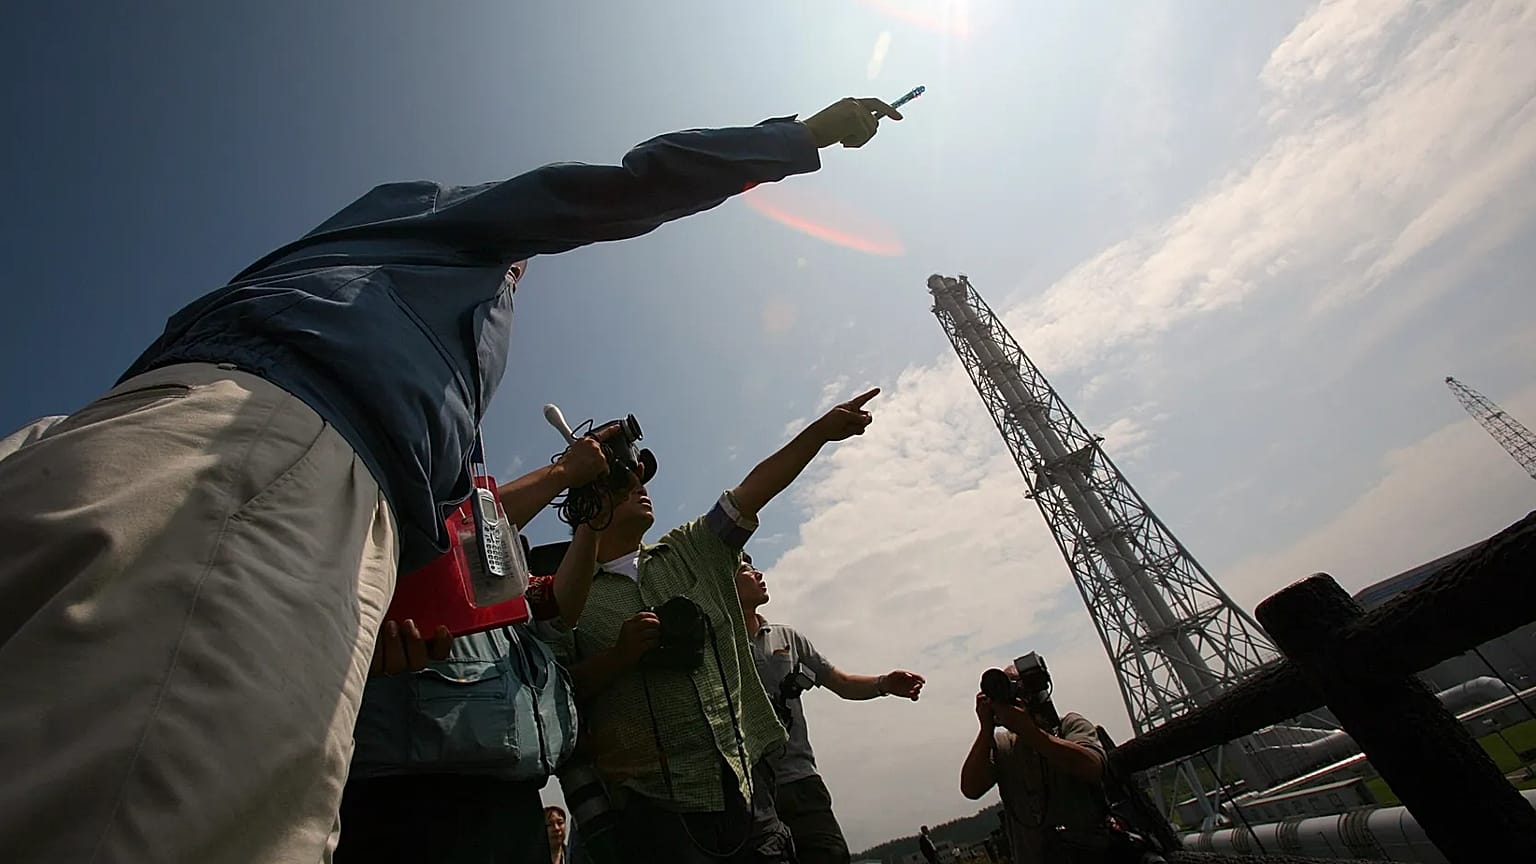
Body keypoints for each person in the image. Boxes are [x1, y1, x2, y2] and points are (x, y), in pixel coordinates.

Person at [0, 96, 900, 863]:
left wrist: (408, 597)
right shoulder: (442, 237)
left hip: (106, 437)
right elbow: (624, 184)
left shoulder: (311, 305)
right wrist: (802, 136)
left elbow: (507, 591)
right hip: (257, 466)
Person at [554, 389, 882, 864]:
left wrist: (820, 433)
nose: (640, 486)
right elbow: (563, 691)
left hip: (748, 797)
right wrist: (617, 658)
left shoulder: (692, 549)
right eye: (623, 483)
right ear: (592, 500)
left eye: (641, 479)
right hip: (655, 818)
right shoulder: (568, 596)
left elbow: (751, 492)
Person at [336, 433, 618, 863]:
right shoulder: (397, 507)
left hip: (514, 797)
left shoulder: (503, 581)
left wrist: (590, 523)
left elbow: (560, 607)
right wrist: (563, 472)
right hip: (415, 800)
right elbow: (456, 538)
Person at [736, 554, 925, 864]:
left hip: (802, 780)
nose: (758, 573)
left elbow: (840, 681)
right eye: (746, 570)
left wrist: (884, 683)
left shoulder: (788, 637)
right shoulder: (717, 644)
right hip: (752, 793)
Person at [960, 665, 1108, 864]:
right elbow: (971, 788)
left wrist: (1029, 731)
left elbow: (1092, 767)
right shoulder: (1003, 745)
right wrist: (986, 729)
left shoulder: (1069, 726)